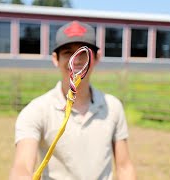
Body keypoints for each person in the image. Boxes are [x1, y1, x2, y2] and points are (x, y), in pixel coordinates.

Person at [9, 21, 136, 180]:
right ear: (56, 58)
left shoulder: (113, 107)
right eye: (68, 52)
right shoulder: (36, 110)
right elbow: (22, 167)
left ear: (97, 57)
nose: (75, 61)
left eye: (84, 53)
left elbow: (124, 167)